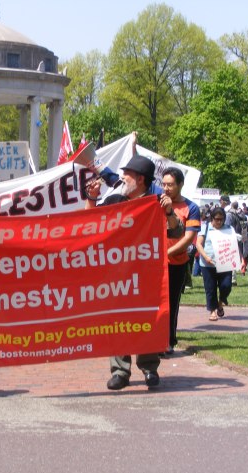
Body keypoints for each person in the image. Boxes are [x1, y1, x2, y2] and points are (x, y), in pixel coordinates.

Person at [85, 155, 182, 390]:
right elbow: (89, 224)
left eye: (127, 174)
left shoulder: (156, 203)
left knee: (147, 319)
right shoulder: (115, 200)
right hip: (117, 275)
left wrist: (169, 213)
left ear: (140, 179)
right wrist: (92, 198)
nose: (122, 178)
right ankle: (120, 371)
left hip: (146, 275)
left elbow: (176, 232)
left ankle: (149, 368)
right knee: (118, 320)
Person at [160, 167, 200, 355]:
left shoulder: (191, 208)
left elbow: (188, 238)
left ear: (180, 185)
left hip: (176, 263)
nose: (166, 188)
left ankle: (169, 340)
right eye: (164, 184)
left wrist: (166, 253)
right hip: (154, 262)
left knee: (171, 302)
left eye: (170, 185)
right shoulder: (156, 202)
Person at [194, 207, 239, 321]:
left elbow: (234, 245)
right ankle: (212, 311)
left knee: (226, 285)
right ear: (212, 218)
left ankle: (220, 302)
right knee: (210, 288)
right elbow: (198, 244)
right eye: (217, 219)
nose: (219, 222)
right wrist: (206, 257)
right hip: (207, 264)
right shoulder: (205, 227)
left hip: (225, 263)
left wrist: (240, 259)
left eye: (221, 219)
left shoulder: (229, 228)